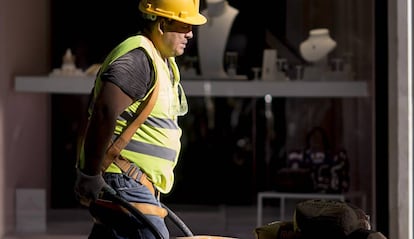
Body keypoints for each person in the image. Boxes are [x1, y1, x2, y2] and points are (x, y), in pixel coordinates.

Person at [74, 0, 207, 238]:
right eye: (184, 26)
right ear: (162, 24)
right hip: (124, 180)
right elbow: (103, 111)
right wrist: (90, 174)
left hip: (132, 181)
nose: (190, 34)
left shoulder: (160, 60)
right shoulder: (139, 58)